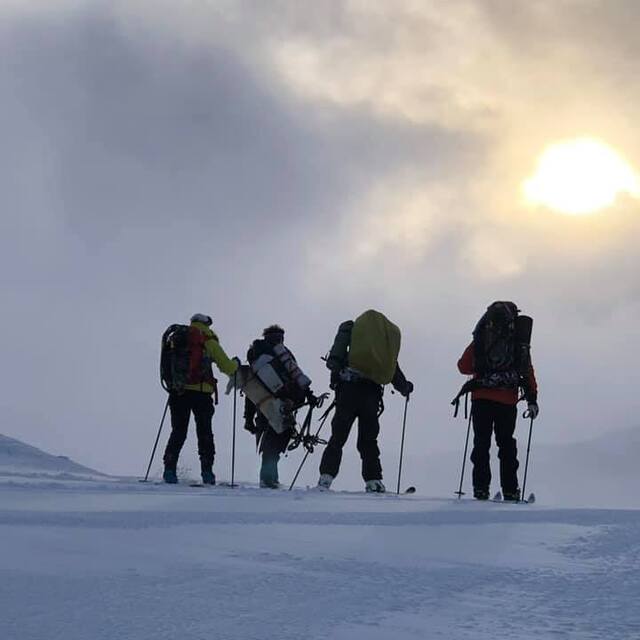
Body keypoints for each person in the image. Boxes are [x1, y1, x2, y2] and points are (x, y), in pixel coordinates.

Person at [317, 309, 414, 493]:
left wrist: (335, 379)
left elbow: (337, 359)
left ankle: (325, 479)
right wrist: (405, 388)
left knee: (338, 436)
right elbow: (393, 371)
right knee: (368, 440)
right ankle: (374, 480)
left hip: (348, 390)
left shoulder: (352, 333)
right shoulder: (382, 348)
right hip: (371, 394)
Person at [457, 301, 539, 501]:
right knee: (506, 445)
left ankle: (480, 488)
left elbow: (463, 366)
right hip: (507, 400)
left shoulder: (482, 337)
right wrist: (532, 400)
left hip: (481, 398)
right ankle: (511, 489)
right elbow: (526, 370)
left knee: (481, 443)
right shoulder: (517, 341)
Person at [162, 313, 239, 485]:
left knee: (178, 431)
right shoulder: (208, 340)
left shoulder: (177, 339)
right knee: (204, 432)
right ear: (207, 324)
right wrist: (236, 364)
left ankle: (169, 469)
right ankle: (207, 473)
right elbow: (227, 367)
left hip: (178, 391)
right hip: (201, 393)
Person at [244, 325, 317, 489]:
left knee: (269, 441)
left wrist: (248, 418)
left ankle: (269, 477)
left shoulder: (257, 355)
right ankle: (269, 478)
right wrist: (309, 395)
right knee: (276, 441)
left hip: (264, 404)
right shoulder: (283, 353)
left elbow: (251, 389)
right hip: (286, 404)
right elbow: (297, 375)